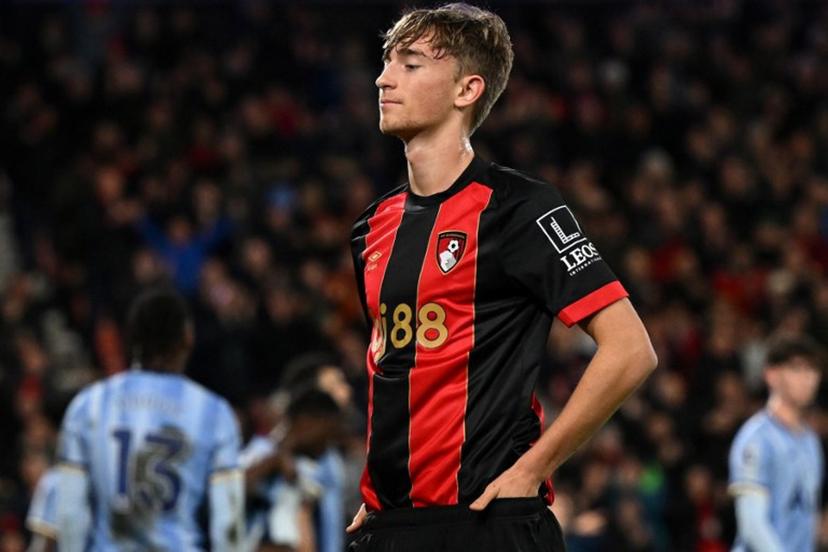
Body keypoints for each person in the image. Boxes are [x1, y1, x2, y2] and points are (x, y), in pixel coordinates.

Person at [347, 3, 657, 551]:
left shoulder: (520, 209)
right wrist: (381, 491)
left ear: (467, 90)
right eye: (387, 62)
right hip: (391, 527)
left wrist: (532, 470)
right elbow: (396, 366)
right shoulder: (373, 226)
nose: (384, 78)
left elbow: (630, 350)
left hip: (489, 524)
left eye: (411, 64)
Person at [54, 288, 244, 551]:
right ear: (188, 337)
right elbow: (228, 525)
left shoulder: (88, 404)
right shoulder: (214, 412)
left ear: (129, 339)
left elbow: (70, 515)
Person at [729, 335, 824, 552]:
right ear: (771, 375)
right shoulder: (756, 439)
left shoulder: (811, 442)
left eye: (813, 369)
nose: (807, 378)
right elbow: (752, 526)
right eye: (797, 368)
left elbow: (807, 515)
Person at [241, 388, 343, 552]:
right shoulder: (260, 451)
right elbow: (232, 488)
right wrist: (274, 462)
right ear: (306, 422)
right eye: (327, 434)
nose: (326, 445)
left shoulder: (320, 466)